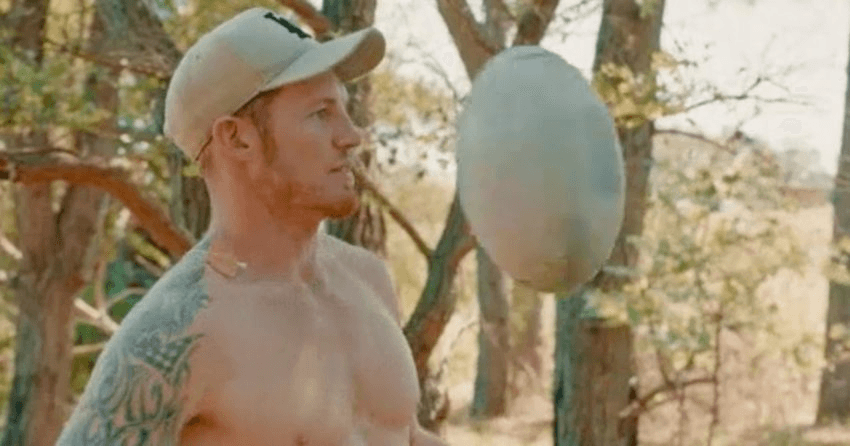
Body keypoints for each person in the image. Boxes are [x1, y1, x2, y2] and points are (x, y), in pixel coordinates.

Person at [57, 7, 449, 446]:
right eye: (321, 113)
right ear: (237, 139)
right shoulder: (175, 335)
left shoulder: (367, 279)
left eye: (344, 107)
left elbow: (404, 435)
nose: (351, 135)